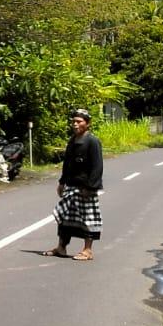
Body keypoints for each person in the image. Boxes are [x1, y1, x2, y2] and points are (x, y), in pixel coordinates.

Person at [42, 109, 104, 260]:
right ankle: (61, 248)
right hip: (71, 185)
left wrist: (91, 188)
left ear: (87, 124)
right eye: (74, 121)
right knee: (64, 217)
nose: (75, 124)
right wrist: (62, 182)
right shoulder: (72, 141)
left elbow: (97, 167)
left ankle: (87, 250)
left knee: (88, 218)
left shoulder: (92, 142)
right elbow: (67, 164)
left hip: (86, 188)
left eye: (79, 122)